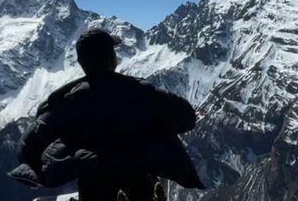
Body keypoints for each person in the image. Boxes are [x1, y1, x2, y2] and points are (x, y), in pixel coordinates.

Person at [11, 29, 204, 201]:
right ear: (112, 58)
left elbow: (27, 147)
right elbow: (187, 118)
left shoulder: (67, 102)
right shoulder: (141, 93)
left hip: (93, 186)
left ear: (81, 63)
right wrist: (154, 128)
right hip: (141, 181)